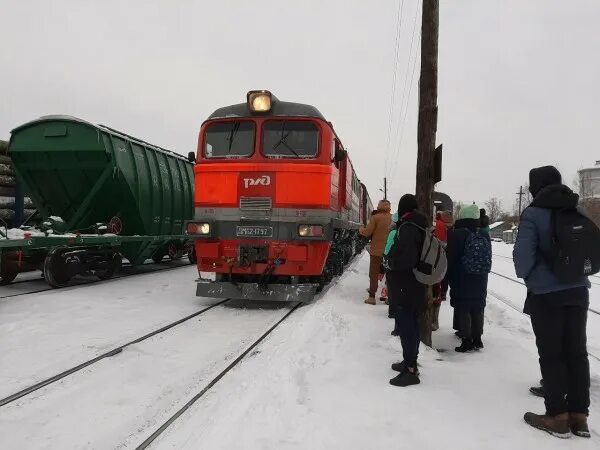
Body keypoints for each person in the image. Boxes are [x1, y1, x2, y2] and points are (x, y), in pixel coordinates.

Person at [514, 166, 591, 439]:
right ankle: (580, 416)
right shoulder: (577, 209)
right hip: (579, 291)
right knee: (577, 353)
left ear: (536, 187)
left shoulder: (533, 214)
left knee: (552, 354)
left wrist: (535, 277)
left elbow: (522, 263)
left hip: (546, 295)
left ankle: (557, 416)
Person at [386, 194, 427, 387]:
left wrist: (391, 262)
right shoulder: (418, 225)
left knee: (407, 325)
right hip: (415, 283)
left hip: (407, 284)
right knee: (411, 323)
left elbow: (407, 259)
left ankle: (410, 369)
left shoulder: (409, 228)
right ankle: (409, 361)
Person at [446, 204, 490, 352]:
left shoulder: (457, 233)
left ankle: (466, 339)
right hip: (481, 275)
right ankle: (477, 338)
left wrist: (447, 276)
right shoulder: (484, 233)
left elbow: (450, 257)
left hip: (462, 274)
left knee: (464, 305)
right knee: (478, 305)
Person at [360, 200, 392, 305]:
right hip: (389, 250)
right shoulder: (392, 218)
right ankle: (389, 296)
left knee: (373, 273)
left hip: (376, 250)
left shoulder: (375, 218)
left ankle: (372, 297)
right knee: (390, 273)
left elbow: (368, 232)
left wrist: (361, 230)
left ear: (379, 206)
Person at [432, 212, 449, 331]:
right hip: (441, 259)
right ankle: (435, 321)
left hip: (428, 260)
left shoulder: (431, 225)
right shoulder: (444, 225)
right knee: (438, 287)